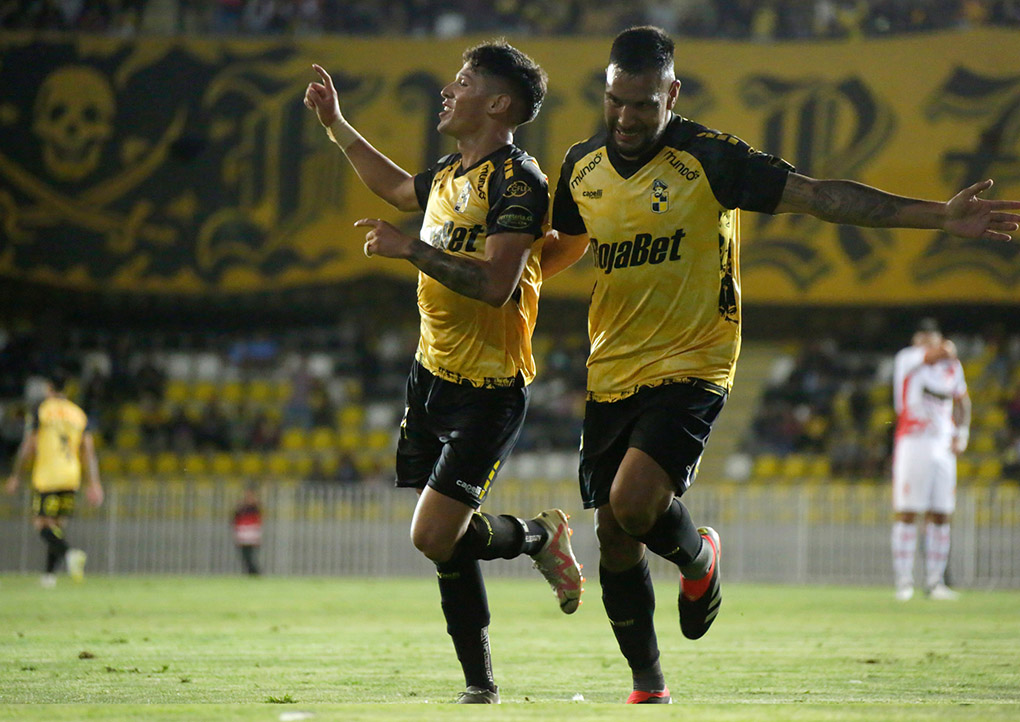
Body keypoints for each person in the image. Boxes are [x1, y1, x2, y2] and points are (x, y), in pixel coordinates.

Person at [540, 25, 1020, 704]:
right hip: (611, 364)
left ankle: (699, 559)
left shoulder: (709, 157)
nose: (625, 116)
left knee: (632, 500)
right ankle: (649, 686)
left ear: (671, 94)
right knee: (615, 538)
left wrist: (939, 217)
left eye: (643, 103)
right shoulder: (580, 166)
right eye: (616, 100)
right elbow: (565, 240)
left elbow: (823, 196)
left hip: (695, 357)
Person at [304, 40, 583, 704]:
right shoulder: (453, 172)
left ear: (499, 103)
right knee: (446, 541)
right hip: (431, 377)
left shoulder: (518, 181)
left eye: (462, 82)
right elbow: (397, 187)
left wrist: (410, 250)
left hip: (488, 388)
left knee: (433, 535)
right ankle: (480, 682)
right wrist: (337, 127)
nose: (447, 90)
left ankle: (541, 536)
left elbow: (495, 285)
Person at [891, 318, 970, 601]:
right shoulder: (908, 359)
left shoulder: (952, 368)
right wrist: (945, 346)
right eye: (922, 337)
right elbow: (939, 352)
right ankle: (904, 582)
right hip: (913, 441)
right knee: (908, 512)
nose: (926, 341)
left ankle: (935, 582)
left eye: (931, 337)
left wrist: (962, 433)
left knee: (941, 515)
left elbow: (962, 401)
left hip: (942, 446)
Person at [5, 371, 103, 587]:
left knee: (42, 524)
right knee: (57, 525)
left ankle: (70, 553)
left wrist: (16, 476)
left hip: (48, 475)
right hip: (71, 475)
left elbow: (28, 446)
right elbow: (88, 451)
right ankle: (49, 577)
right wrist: (94, 483)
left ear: (49, 388)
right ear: (66, 388)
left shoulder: (42, 411)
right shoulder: (78, 414)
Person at [232, 484, 263, 576]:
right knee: (244, 556)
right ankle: (251, 573)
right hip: (242, 534)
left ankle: (254, 573)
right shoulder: (241, 507)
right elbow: (235, 519)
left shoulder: (255, 507)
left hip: (252, 535)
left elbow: (257, 519)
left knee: (250, 556)